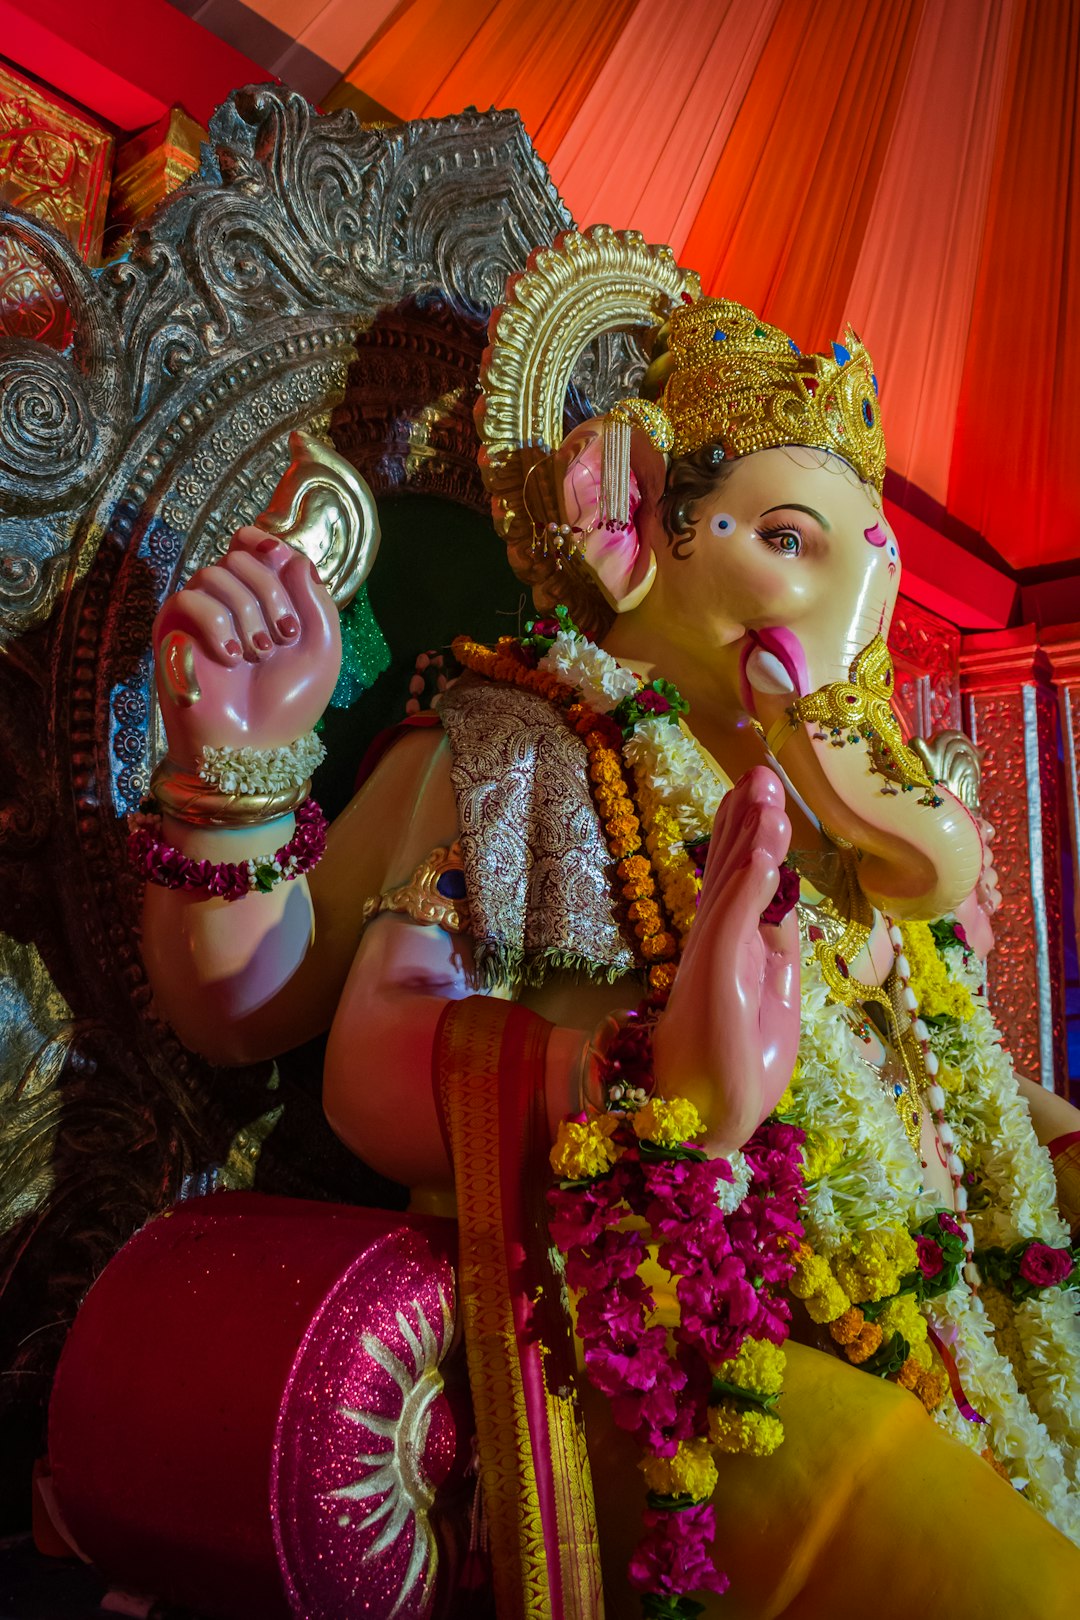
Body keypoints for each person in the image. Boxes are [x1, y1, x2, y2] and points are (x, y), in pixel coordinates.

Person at [138, 279, 1080, 1617]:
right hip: (675, 1346)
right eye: (789, 539)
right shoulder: (529, 742)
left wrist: (1053, 1139)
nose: (852, 611)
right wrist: (651, 1082)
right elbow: (291, 1025)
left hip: (955, 1330)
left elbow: (935, 1075)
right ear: (634, 522)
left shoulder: (836, 821)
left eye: (873, 559)